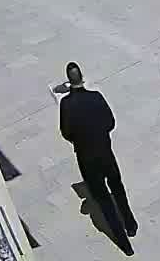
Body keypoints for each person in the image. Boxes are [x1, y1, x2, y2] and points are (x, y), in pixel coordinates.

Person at [58, 62, 137, 253]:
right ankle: (130, 223)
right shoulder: (96, 97)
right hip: (105, 153)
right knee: (117, 188)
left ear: (69, 82)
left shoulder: (66, 104)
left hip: (87, 159)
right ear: (82, 78)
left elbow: (66, 132)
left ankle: (124, 244)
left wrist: (81, 138)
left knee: (103, 199)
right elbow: (110, 122)